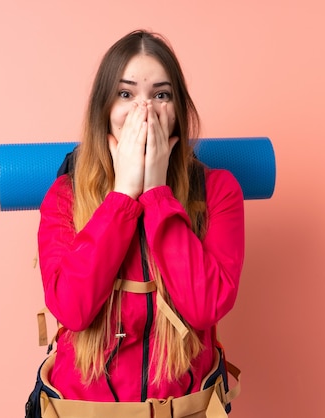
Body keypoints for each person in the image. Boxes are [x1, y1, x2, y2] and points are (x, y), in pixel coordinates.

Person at [36, 29, 244, 416]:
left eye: (161, 95)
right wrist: (122, 194)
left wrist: (156, 193)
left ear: (178, 110)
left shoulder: (218, 191)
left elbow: (204, 307)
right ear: (104, 110)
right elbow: (73, 309)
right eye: (126, 94)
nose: (144, 111)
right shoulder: (65, 195)